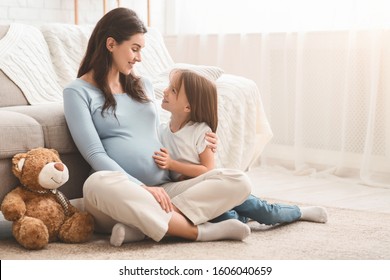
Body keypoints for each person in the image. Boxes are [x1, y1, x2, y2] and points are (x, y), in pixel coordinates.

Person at [63, 7, 253, 247]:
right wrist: (142, 188)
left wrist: (194, 149)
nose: (139, 57)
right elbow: (94, 154)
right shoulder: (77, 92)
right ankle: (200, 232)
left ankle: (142, 227)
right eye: (135, 48)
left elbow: (159, 136)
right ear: (110, 44)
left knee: (238, 180)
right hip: (119, 195)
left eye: (141, 50)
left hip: (165, 188)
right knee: (96, 183)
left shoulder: (143, 84)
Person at [151, 68, 328, 229]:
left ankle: (299, 212)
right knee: (227, 220)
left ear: (188, 107)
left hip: (215, 188)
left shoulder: (200, 132)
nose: (164, 91)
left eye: (173, 90)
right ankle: (244, 217)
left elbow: (207, 170)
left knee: (266, 212)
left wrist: (172, 165)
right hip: (195, 194)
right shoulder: (162, 130)